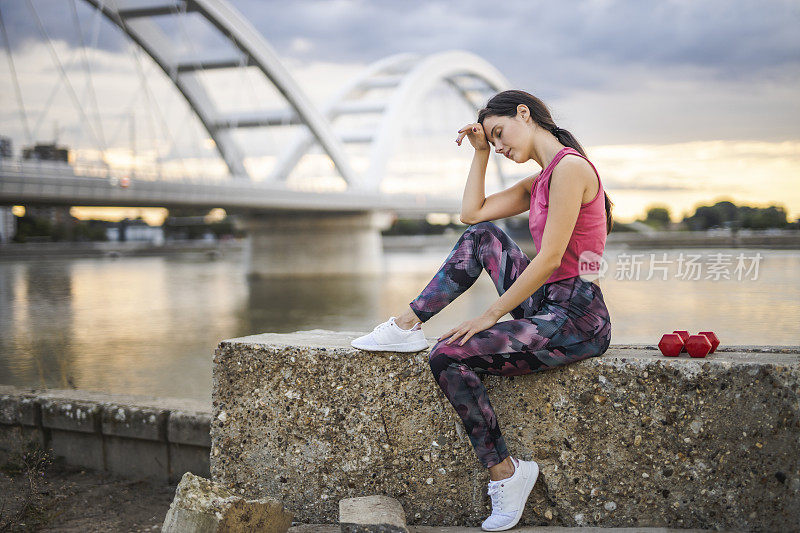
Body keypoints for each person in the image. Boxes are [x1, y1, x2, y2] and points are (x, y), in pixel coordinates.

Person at [351, 89, 613, 531]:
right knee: (484, 236)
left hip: (578, 316)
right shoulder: (540, 180)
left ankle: (508, 475)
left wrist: (489, 315)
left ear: (525, 114)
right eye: (492, 140)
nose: (501, 146)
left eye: (500, 134)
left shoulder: (570, 168)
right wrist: (479, 155)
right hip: (547, 303)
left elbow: (550, 258)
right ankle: (406, 323)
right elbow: (471, 214)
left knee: (449, 354)